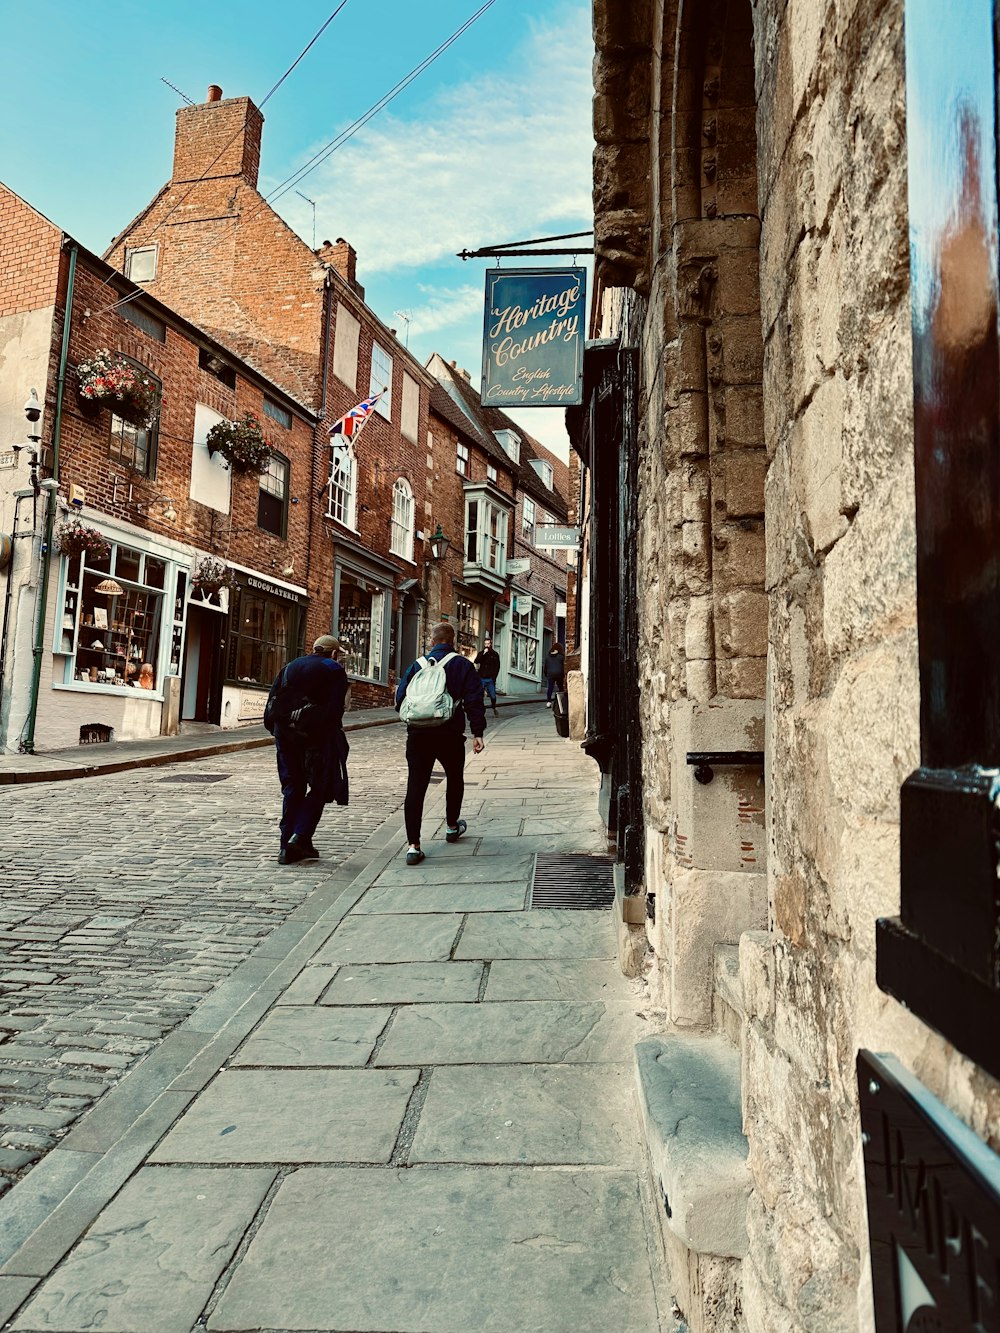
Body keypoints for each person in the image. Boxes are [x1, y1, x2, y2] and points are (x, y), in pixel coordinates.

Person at [395, 621, 486, 865]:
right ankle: (452, 826)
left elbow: (400, 699)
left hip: (418, 735)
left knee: (415, 786)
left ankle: (413, 846)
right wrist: (478, 733)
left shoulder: (417, 665)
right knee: (455, 779)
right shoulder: (463, 665)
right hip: (449, 734)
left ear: (432, 641)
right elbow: (474, 700)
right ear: (453, 640)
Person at [264, 635, 350, 865]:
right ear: (333, 653)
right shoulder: (333, 669)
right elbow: (334, 710)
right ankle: (300, 836)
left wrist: (281, 731)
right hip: (316, 738)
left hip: (285, 735)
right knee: (320, 786)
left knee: (293, 787)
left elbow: (272, 701)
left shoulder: (290, 666)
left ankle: (287, 846)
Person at [473, 635, 501, 716]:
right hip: (481, 677)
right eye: (485, 644)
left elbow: (497, 667)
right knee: (480, 695)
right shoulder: (481, 653)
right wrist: (483, 654)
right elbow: (476, 661)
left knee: (493, 696)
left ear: (491, 644)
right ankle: (480, 710)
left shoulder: (495, 654)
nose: (487, 645)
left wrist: (494, 678)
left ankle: (494, 707)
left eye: (488, 644)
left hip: (490, 679)